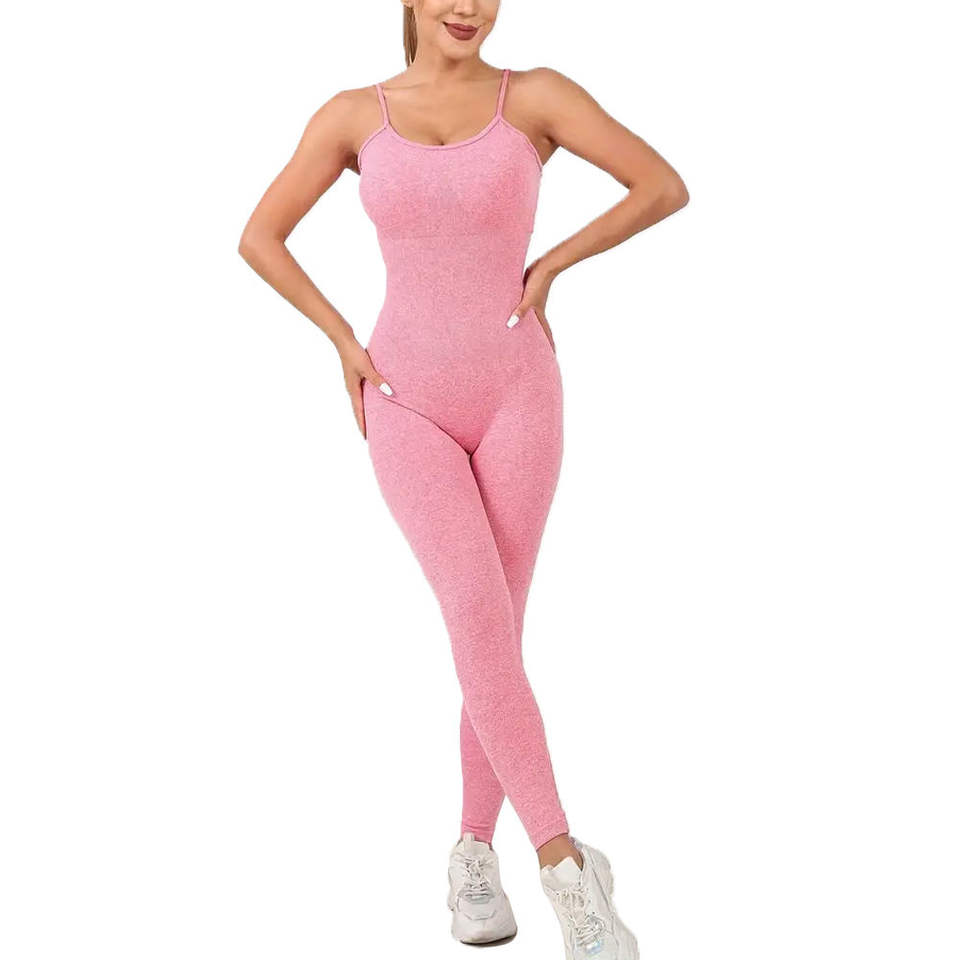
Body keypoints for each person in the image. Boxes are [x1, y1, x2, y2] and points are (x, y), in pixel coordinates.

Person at [238, 3, 688, 957]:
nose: (467, 5)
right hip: (405, 398)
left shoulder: (537, 98)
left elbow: (661, 185)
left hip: (519, 392)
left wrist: (553, 263)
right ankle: (569, 869)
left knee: (496, 635)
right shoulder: (353, 115)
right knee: (477, 619)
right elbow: (261, 236)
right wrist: (343, 342)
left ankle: (473, 852)